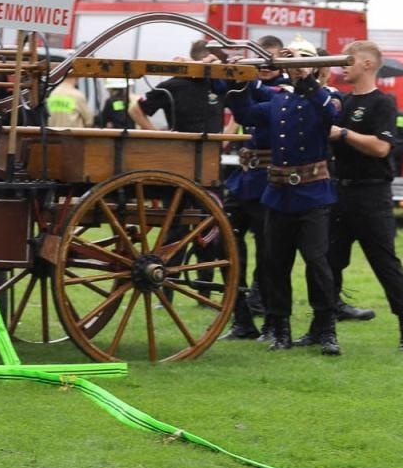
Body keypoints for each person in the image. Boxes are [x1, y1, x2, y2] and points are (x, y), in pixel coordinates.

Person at [224, 39, 340, 353]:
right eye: (293, 61)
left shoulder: (327, 96)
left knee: (317, 262)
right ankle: (281, 329)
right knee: (276, 264)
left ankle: (326, 329)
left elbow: (330, 114)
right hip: (279, 195)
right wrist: (238, 78)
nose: (297, 66)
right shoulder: (279, 99)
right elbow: (246, 113)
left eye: (303, 60)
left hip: (313, 195)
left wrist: (305, 78)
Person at [324, 40, 403, 351]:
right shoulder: (342, 102)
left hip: (372, 194)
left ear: (367, 64)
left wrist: (343, 133)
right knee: (329, 263)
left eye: (348, 60)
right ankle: (324, 329)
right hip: (340, 191)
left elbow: (381, 147)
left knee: (385, 263)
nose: (343, 66)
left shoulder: (383, 103)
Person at [220, 35, 286, 340]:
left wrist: (244, 77)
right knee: (226, 245)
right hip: (245, 179)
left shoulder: (288, 89)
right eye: (258, 60)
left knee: (270, 255)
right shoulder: (249, 84)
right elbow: (225, 92)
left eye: (268, 60)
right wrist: (223, 69)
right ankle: (241, 319)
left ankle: (273, 323)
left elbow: (265, 100)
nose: (263, 66)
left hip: (272, 183)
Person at [130, 39, 224, 132]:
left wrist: (226, 136)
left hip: (212, 141)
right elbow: (135, 111)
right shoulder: (172, 86)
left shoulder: (218, 84)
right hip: (180, 141)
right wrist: (157, 136)